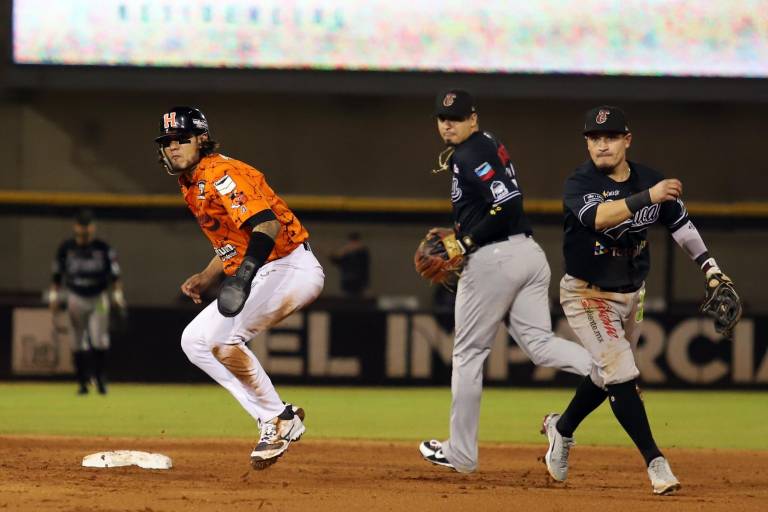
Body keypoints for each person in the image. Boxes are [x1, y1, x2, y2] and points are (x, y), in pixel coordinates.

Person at [541, 106, 736, 495]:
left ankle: (561, 428)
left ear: (627, 140)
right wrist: (649, 196)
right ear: (587, 144)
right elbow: (599, 218)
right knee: (621, 373)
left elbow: (680, 224)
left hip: (632, 293)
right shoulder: (579, 182)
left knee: (606, 375)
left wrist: (710, 268)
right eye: (594, 138)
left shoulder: (650, 178)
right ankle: (656, 463)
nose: (602, 144)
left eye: (611, 137)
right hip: (587, 293)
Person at [418, 89, 592, 473]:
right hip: (528, 254)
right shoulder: (485, 143)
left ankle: (461, 453)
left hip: (494, 259)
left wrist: (465, 242)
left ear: (473, 119)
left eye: (457, 118)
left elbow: (508, 201)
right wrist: (459, 234)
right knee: (540, 345)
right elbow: (494, 206)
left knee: (467, 355)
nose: (448, 124)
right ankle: (610, 373)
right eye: (443, 118)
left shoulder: (469, 152)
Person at [155, 106, 325, 470]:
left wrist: (242, 277)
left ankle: (278, 419)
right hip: (266, 268)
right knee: (194, 341)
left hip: (290, 266)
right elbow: (236, 239)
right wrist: (209, 274)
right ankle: (273, 416)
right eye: (167, 141)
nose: (173, 147)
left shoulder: (222, 173)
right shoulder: (191, 182)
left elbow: (267, 226)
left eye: (181, 138)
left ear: (201, 139)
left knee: (222, 339)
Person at [49, 209, 126, 395]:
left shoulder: (103, 248)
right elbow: (57, 276)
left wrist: (117, 296)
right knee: (77, 340)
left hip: (98, 296)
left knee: (100, 339)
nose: (84, 230)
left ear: (93, 227)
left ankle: (100, 379)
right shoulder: (66, 248)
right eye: (81, 226)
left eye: (87, 226)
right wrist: (54, 297)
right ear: (75, 227)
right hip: (75, 296)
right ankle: (82, 382)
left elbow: (115, 276)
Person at [329, 232, 370, 297]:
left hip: (358, 281)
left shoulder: (363, 252)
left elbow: (365, 269)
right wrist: (342, 251)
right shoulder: (346, 252)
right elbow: (336, 261)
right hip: (347, 280)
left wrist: (366, 284)